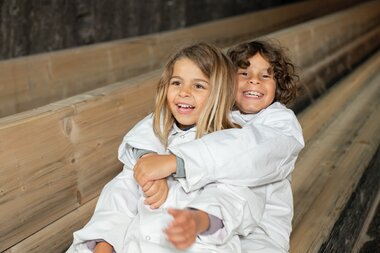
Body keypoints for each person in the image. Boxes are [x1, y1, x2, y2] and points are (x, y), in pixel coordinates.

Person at [66, 42, 266, 253]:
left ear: (219, 94)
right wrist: (104, 245)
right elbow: (119, 197)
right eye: (177, 82)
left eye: (198, 86)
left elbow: (235, 199)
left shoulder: (230, 144)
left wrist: (197, 220)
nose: (184, 92)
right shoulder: (155, 140)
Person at [131, 40, 305, 253]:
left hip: (260, 232)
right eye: (244, 73)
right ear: (225, 82)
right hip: (214, 223)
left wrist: (177, 161)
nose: (254, 81)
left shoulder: (280, 122)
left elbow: (251, 151)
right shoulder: (218, 113)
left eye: (265, 76)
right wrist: (146, 155)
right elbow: (156, 123)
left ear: (278, 84)